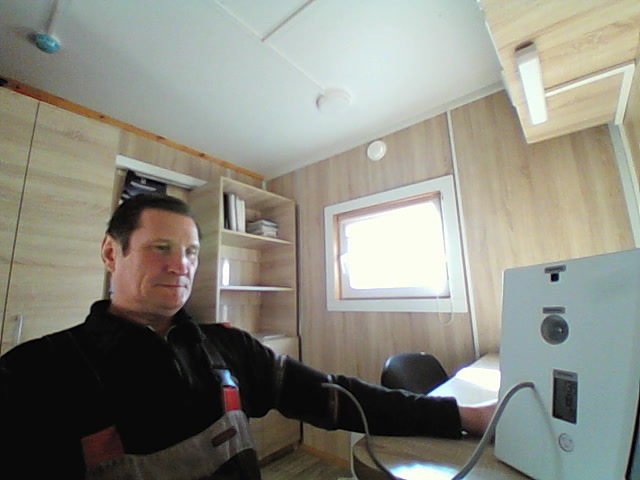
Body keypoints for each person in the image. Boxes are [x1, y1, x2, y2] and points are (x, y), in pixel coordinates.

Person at [0, 193, 495, 480]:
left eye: (191, 252)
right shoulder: (34, 373)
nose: (181, 265)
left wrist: (461, 415)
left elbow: (335, 396)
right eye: (161, 248)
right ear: (112, 253)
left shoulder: (228, 348)